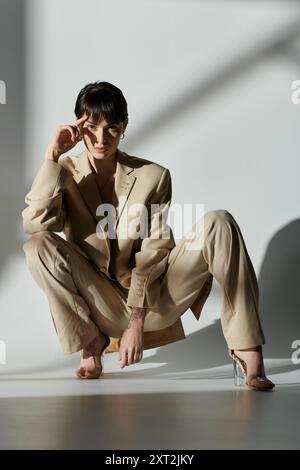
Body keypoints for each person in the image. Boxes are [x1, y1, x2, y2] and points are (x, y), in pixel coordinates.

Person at [22, 81, 274, 390]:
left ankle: (246, 347)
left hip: (156, 298)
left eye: (112, 128)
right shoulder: (63, 172)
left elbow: (154, 251)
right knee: (37, 246)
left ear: (124, 126)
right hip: (102, 306)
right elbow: (35, 225)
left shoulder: (153, 176)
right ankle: (91, 341)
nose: (101, 138)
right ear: (77, 126)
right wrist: (51, 156)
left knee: (219, 223)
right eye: (91, 127)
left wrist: (137, 321)